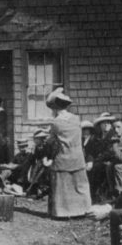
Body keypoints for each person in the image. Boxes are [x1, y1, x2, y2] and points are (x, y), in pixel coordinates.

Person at [44, 88, 91, 219]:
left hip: (63, 158)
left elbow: (51, 142)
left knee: (62, 187)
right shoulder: (76, 119)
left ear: (55, 108)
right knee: (79, 185)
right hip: (77, 157)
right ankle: (83, 210)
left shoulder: (55, 123)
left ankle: (62, 212)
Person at [88, 112, 117, 201]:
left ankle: (104, 195)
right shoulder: (95, 137)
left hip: (110, 161)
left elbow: (111, 152)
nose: (106, 125)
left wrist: (97, 160)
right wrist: (90, 161)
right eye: (104, 123)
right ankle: (93, 196)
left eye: (108, 122)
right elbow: (90, 152)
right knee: (89, 169)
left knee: (99, 168)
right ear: (100, 125)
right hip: (98, 162)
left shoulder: (114, 136)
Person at [105, 118, 122, 198]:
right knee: (109, 166)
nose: (116, 130)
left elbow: (121, 158)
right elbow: (109, 154)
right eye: (114, 128)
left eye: (118, 127)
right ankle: (113, 192)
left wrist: (114, 143)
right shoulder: (117, 139)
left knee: (118, 166)